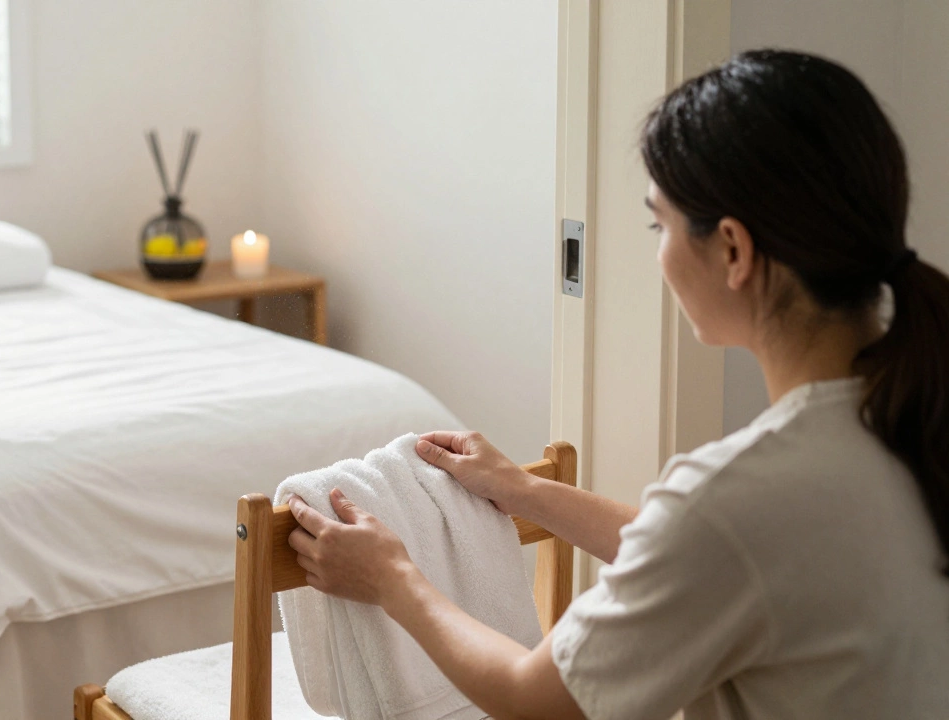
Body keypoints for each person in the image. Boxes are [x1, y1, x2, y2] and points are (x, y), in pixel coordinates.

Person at [286, 50, 949, 719]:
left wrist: (394, 580)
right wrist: (525, 492)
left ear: (732, 250)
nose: (658, 253)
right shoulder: (912, 422)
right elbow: (708, 558)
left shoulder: (739, 499)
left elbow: (534, 700)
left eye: (659, 224)